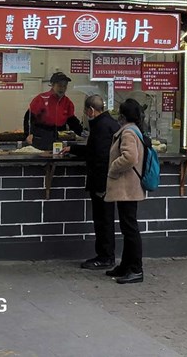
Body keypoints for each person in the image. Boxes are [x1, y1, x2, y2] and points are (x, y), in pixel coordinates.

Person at [66, 94, 119, 270]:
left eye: (86, 110)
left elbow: (100, 156)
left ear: (91, 110)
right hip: (107, 180)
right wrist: (73, 148)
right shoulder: (109, 123)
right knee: (105, 218)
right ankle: (105, 255)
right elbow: (93, 150)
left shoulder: (101, 126)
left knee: (103, 219)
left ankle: (105, 257)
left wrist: (100, 185)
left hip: (102, 181)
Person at [105, 98, 146, 285]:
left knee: (130, 229)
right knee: (128, 226)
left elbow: (130, 157)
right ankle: (126, 265)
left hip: (126, 186)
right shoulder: (135, 130)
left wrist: (113, 169)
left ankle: (136, 269)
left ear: (122, 115)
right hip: (130, 186)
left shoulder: (128, 132)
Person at [26, 71, 82, 151]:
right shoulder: (41, 99)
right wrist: (28, 134)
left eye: (64, 86)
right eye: (59, 86)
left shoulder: (68, 102)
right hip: (41, 136)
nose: (62, 89)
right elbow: (28, 118)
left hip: (59, 137)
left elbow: (72, 121)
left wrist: (82, 133)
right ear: (52, 85)